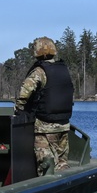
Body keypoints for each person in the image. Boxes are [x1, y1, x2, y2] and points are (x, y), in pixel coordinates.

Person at [15, 36, 74, 175]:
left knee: (46, 166)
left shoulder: (40, 71)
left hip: (44, 126)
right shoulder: (63, 69)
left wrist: (19, 107)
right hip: (64, 125)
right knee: (62, 164)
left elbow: (25, 92)